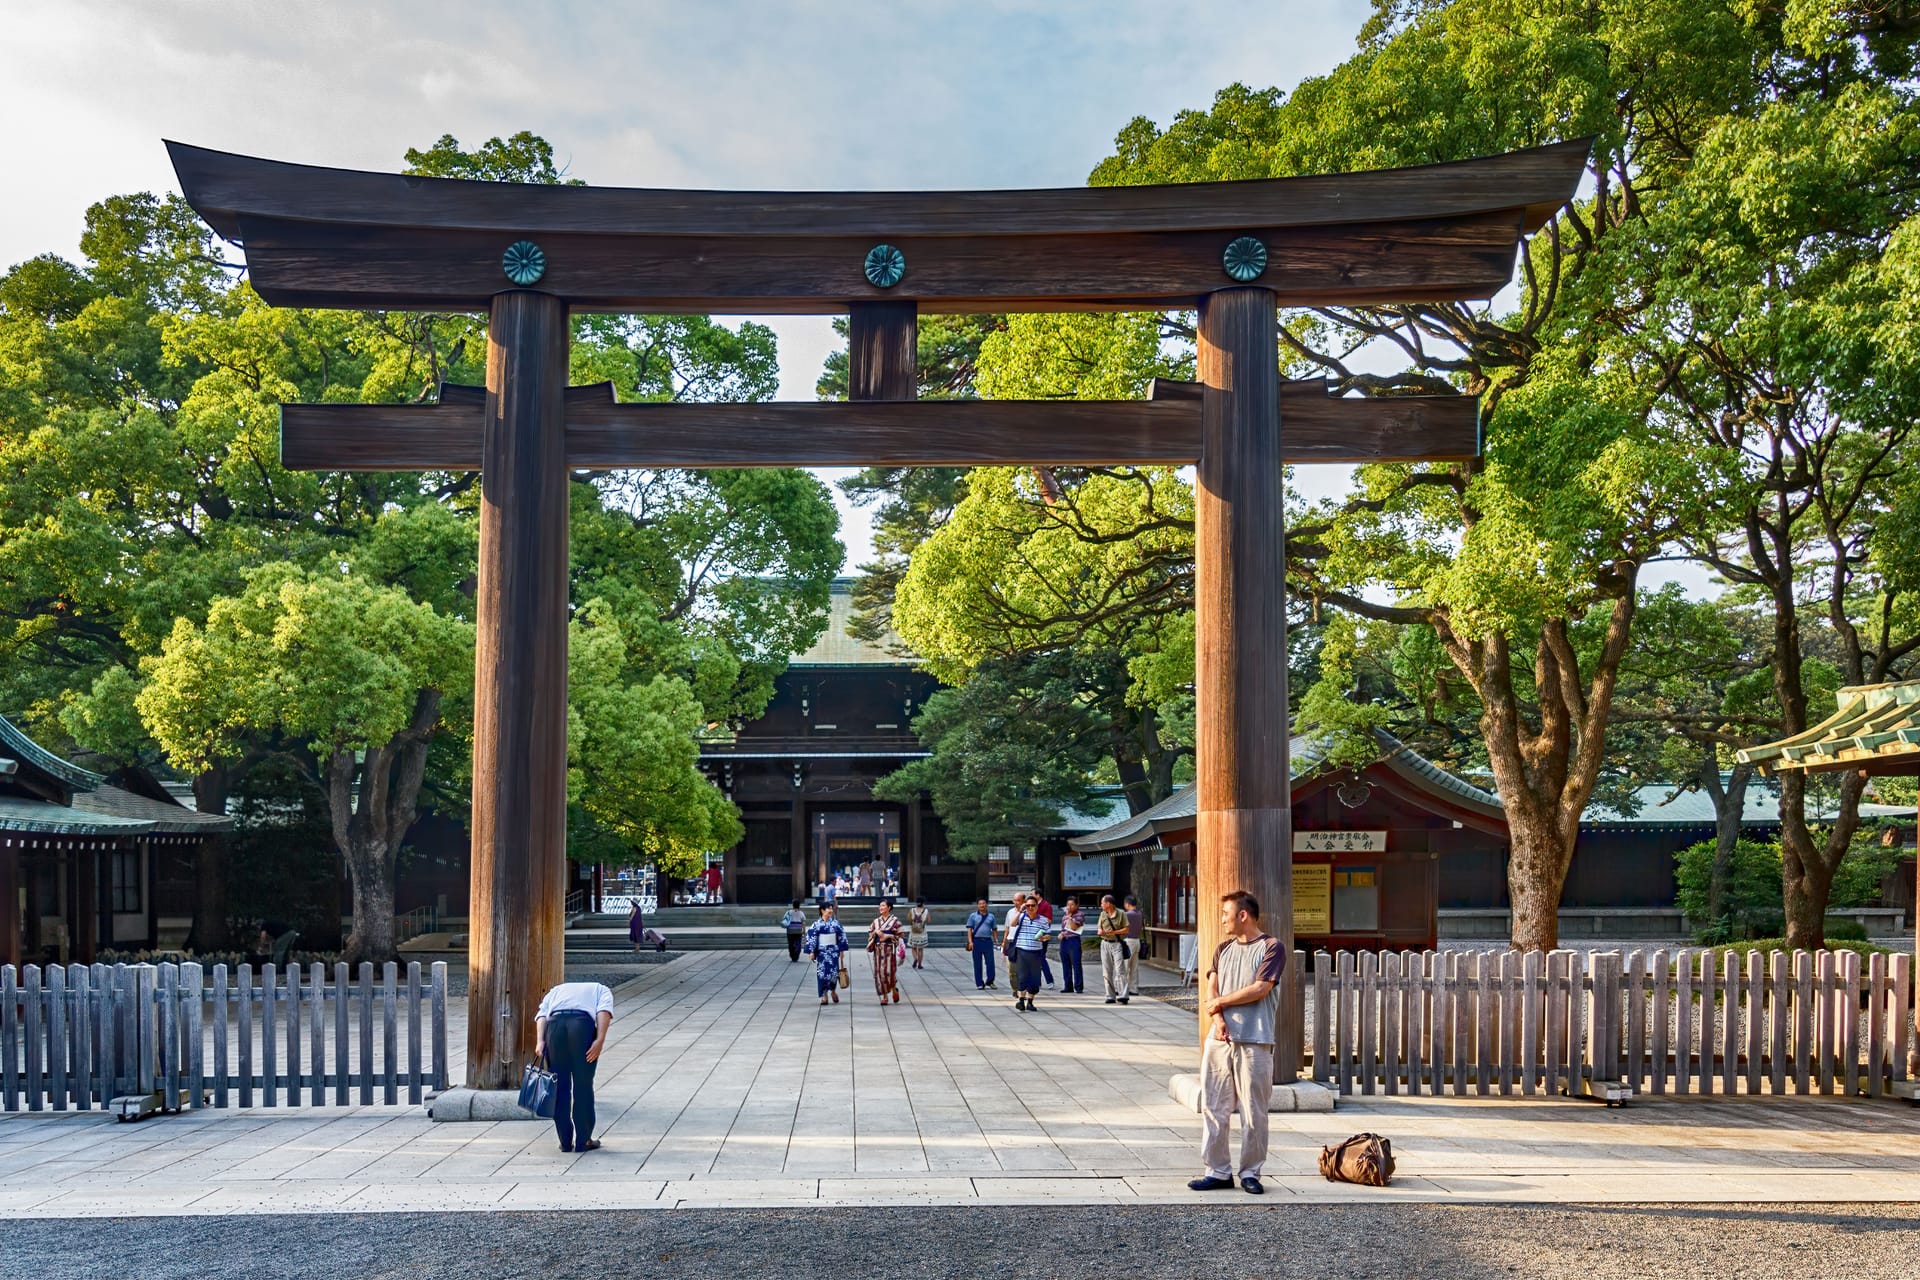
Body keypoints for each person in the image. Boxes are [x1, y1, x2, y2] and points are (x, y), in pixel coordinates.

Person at [1188, 891, 1286, 1196]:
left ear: (1243, 915)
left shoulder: (1272, 947)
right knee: (1214, 1106)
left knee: (1254, 1110)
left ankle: (1250, 1172)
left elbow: (1260, 989)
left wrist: (1218, 1003)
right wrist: (1217, 1018)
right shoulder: (1222, 949)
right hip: (1219, 1039)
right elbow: (1211, 987)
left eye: (1226, 914)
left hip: (1255, 1039)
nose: (1222, 919)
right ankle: (1217, 1170)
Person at [534, 979, 615, 1153]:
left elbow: (542, 1014)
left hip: (554, 1027)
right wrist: (599, 1040)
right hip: (581, 1027)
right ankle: (583, 1140)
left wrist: (540, 1041)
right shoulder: (602, 989)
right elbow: (604, 1012)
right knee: (583, 1085)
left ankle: (564, 1141)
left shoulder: (556, 989)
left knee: (559, 1086)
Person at [1007, 897, 1051, 1013]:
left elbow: (1048, 934)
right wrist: (1020, 911)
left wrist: (1044, 938)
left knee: (1035, 978)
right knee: (1022, 976)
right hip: (1022, 951)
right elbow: (1012, 924)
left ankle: (1030, 1002)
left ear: (1037, 907)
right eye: (1028, 906)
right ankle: (1021, 1000)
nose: (1030, 908)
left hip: (1036, 952)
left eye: (1033, 905)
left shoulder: (1043, 920)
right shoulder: (1021, 917)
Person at [802, 903, 851, 1005]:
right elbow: (812, 939)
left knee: (834, 974)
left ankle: (833, 991)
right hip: (822, 953)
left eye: (831, 909)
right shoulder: (816, 925)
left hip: (833, 952)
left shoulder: (836, 924)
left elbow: (841, 937)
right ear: (822, 910)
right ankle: (824, 995)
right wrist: (811, 951)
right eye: (828, 908)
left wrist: (841, 951)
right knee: (822, 974)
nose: (830, 910)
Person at [867, 897, 906, 1003]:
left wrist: (888, 936)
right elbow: (870, 934)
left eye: (883, 905)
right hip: (878, 950)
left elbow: (901, 935)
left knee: (889, 972)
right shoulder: (876, 922)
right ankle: (885, 996)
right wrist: (875, 933)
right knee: (879, 973)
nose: (881, 907)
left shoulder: (895, 921)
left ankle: (893, 989)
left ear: (889, 907)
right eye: (880, 906)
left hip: (890, 949)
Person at [1096, 894, 1131, 1005]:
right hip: (1105, 944)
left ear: (1109, 904)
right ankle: (1110, 996)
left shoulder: (1121, 914)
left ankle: (1123, 995)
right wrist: (1100, 931)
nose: (1101, 905)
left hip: (1117, 944)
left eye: (1102, 903)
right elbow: (1099, 928)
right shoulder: (1102, 914)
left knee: (1120, 969)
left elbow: (1126, 929)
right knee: (1107, 971)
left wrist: (1114, 932)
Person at [964, 897, 999, 989]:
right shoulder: (973, 916)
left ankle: (990, 981)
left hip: (987, 941)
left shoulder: (991, 916)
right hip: (976, 941)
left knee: (990, 962)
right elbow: (969, 929)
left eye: (984, 903)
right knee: (977, 963)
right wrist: (970, 941)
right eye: (980, 904)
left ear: (986, 904)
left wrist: (996, 940)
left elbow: (994, 929)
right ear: (977, 905)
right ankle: (979, 983)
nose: (982, 905)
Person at [1058, 897, 1085, 994]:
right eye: (1068, 904)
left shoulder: (1080, 915)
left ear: (1077, 905)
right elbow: (1064, 929)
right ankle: (1068, 986)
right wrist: (1061, 934)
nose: (1069, 907)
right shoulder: (1064, 916)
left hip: (1074, 941)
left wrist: (1070, 917)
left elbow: (1074, 927)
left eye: (1072, 904)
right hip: (1065, 941)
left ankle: (1078, 986)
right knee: (1066, 964)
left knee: (1076, 964)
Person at [1123, 894, 1146, 993]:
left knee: (1124, 966)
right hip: (1137, 941)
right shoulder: (1139, 913)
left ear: (1127, 904)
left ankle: (1121, 988)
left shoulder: (1128, 915)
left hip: (1128, 941)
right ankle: (1133, 988)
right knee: (1134, 967)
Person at [907, 898, 931, 970]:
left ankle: (915, 958)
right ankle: (920, 964)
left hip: (913, 931)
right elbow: (929, 920)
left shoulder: (912, 910)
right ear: (923, 903)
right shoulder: (926, 911)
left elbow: (908, 918)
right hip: (922, 932)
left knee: (913, 947)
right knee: (920, 949)